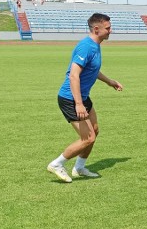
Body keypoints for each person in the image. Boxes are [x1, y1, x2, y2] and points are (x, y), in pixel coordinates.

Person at [46, 13, 123, 183]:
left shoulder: (95, 45)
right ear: (97, 29)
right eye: (108, 28)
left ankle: (79, 168)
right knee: (88, 138)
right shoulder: (86, 47)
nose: (111, 31)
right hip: (71, 99)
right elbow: (74, 76)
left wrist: (109, 81)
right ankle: (57, 164)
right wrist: (79, 104)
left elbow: (92, 70)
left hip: (82, 97)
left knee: (94, 131)